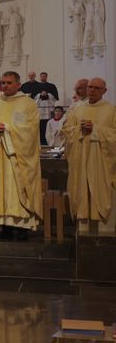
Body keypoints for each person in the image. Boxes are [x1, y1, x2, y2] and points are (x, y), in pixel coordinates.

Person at [0, 70, 42, 237]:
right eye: (3, 83)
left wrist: (8, 129)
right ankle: (3, 225)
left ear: (18, 84)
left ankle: (22, 226)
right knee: (0, 189)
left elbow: (32, 129)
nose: (5, 85)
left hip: (18, 157)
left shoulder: (28, 104)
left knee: (17, 188)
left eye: (9, 83)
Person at [61, 78, 116, 234]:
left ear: (104, 91)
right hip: (81, 159)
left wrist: (95, 130)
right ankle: (83, 231)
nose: (92, 90)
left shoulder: (112, 110)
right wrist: (79, 129)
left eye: (97, 88)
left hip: (101, 163)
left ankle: (106, 232)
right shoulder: (77, 110)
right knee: (82, 190)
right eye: (90, 87)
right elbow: (67, 131)